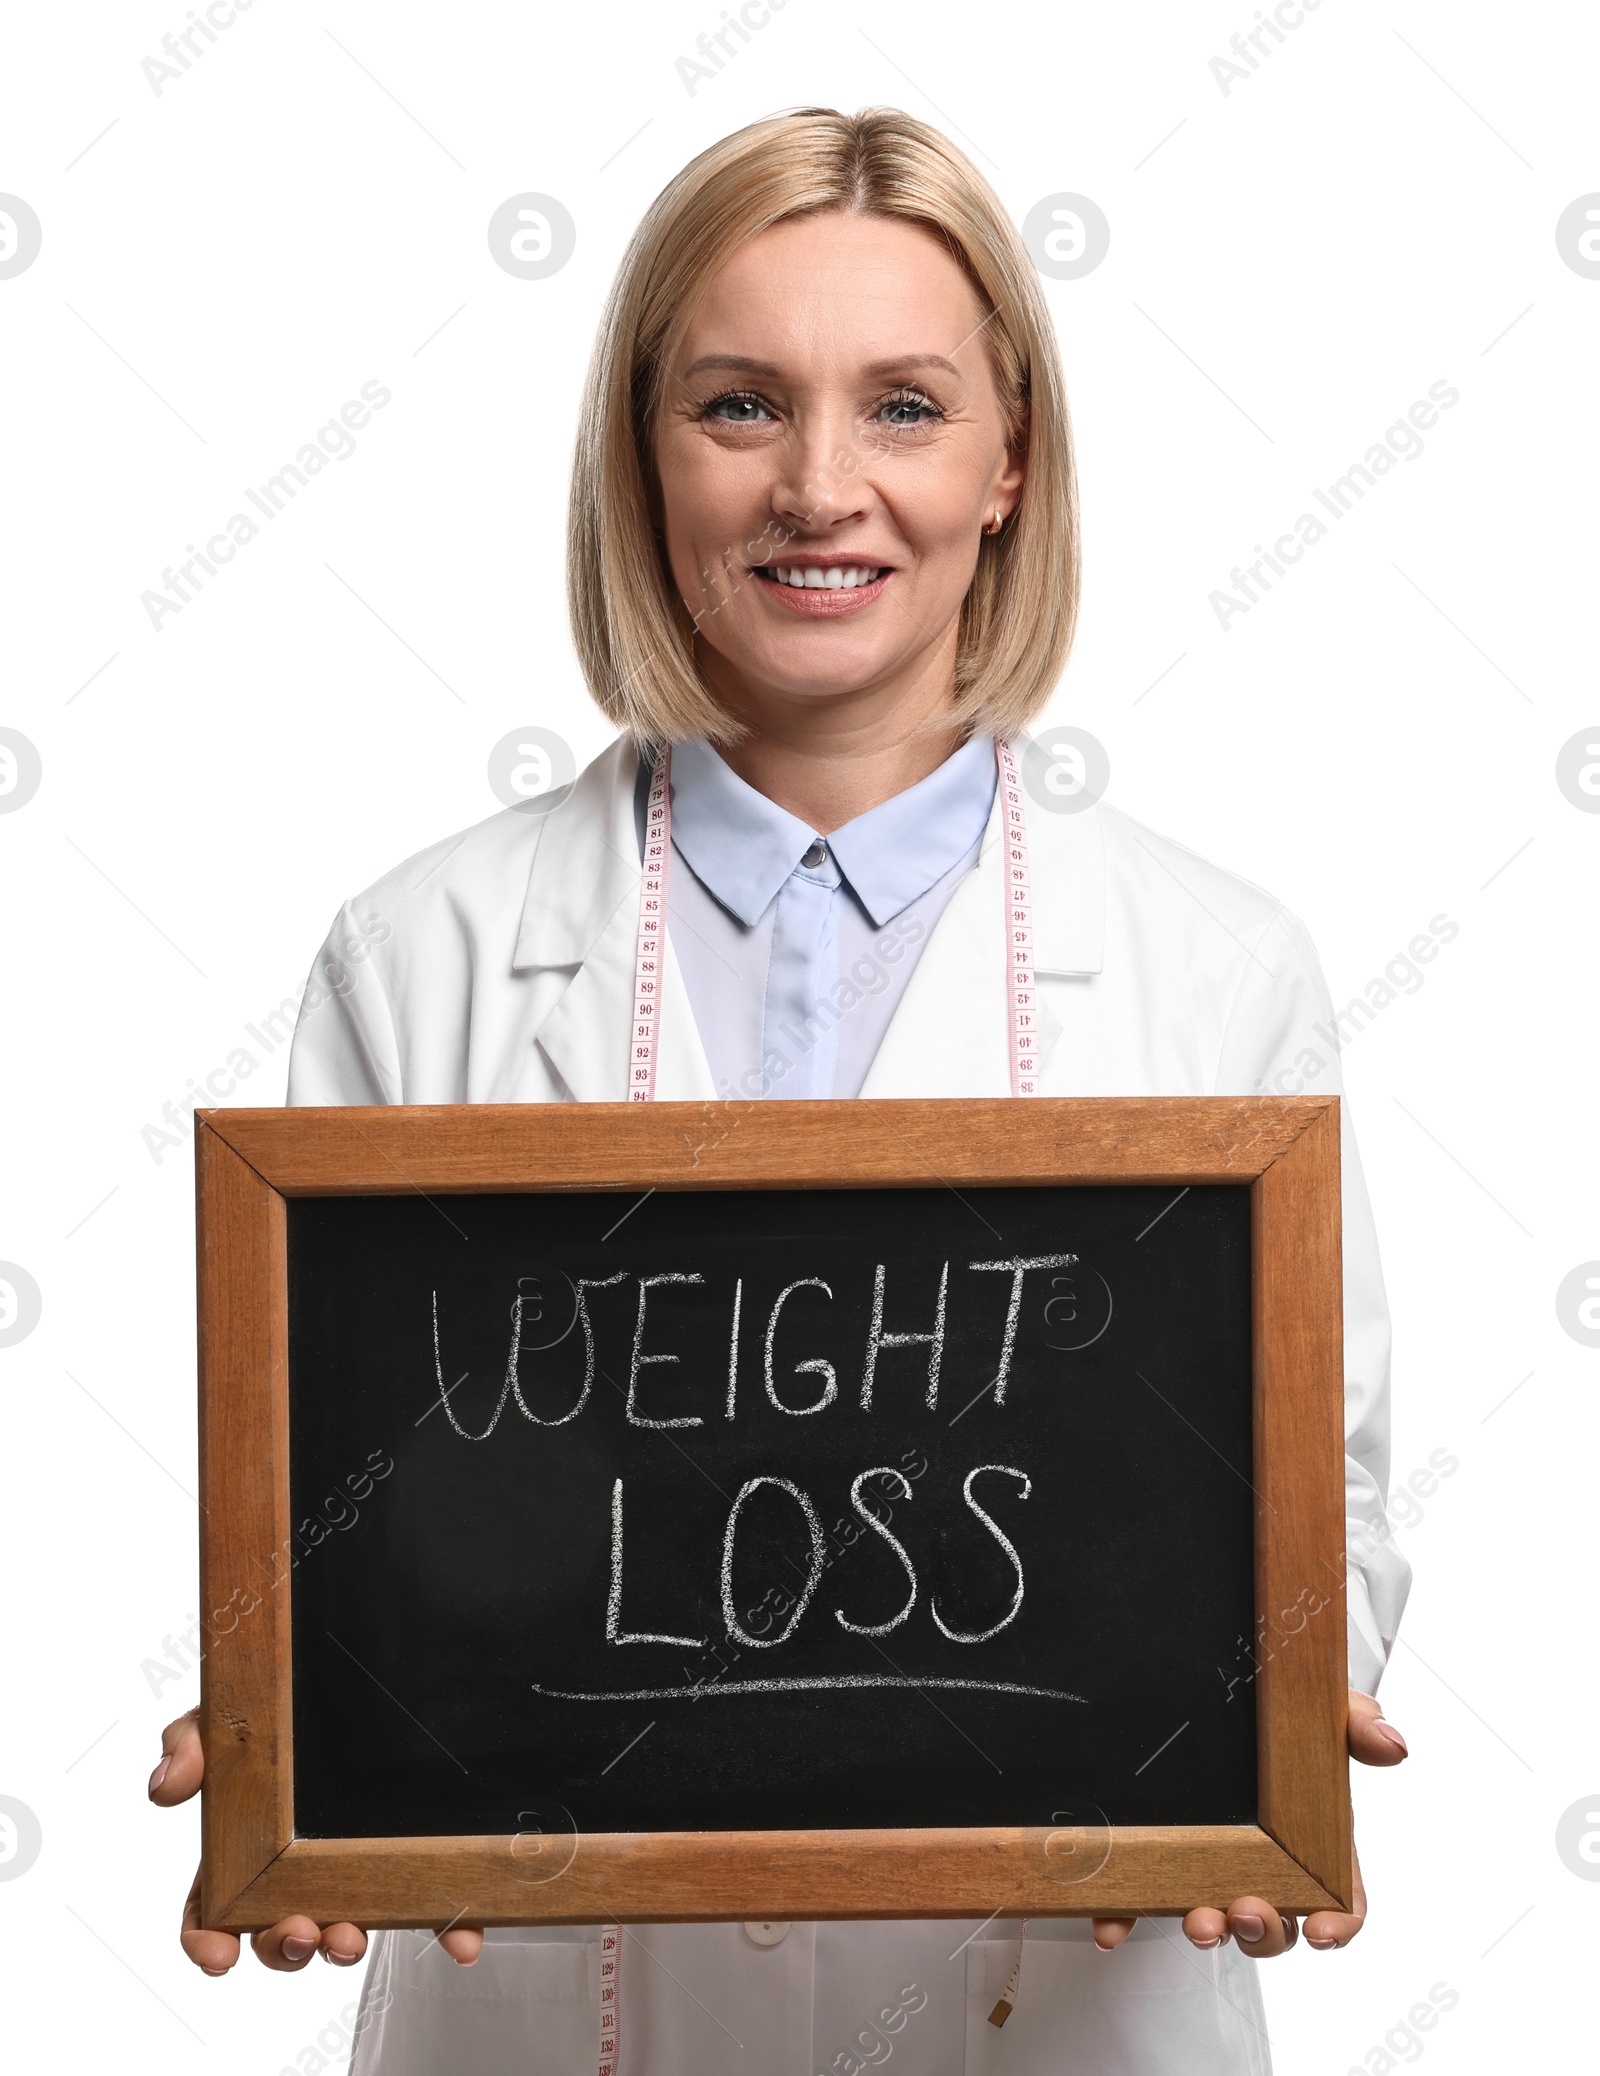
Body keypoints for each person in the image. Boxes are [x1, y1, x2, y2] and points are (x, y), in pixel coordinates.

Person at [150, 106, 1412, 2075]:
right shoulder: (427, 955)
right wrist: (297, 1731)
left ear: (1009, 466)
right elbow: (345, 1520)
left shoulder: (1216, 971)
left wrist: (1280, 1705)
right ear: (639, 458)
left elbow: (1309, 1502)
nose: (819, 488)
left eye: (900, 407)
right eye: (738, 405)